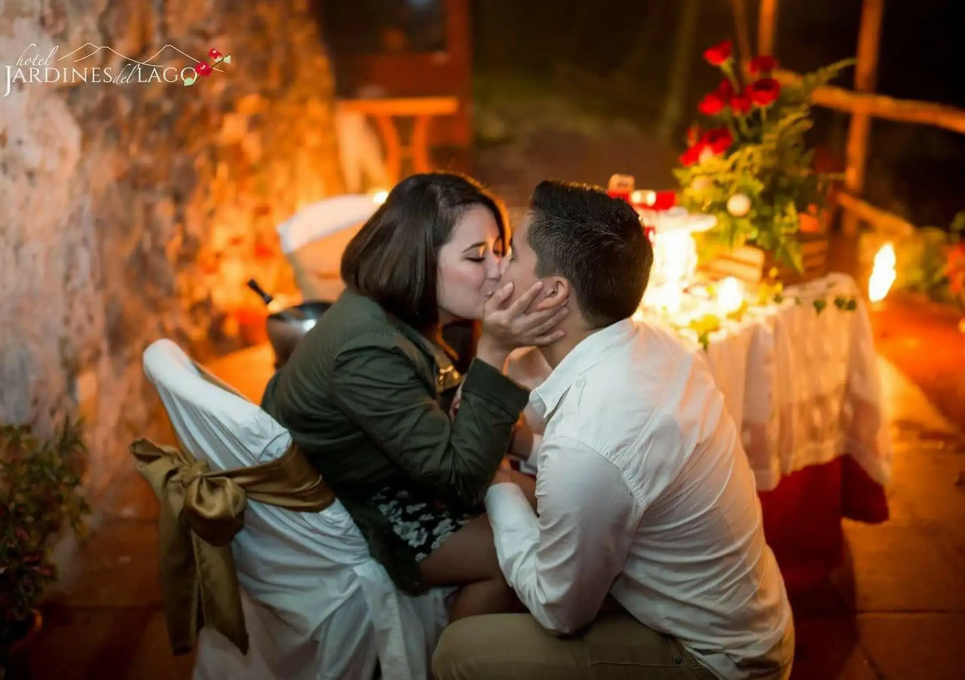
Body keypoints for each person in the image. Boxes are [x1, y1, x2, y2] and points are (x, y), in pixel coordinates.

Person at [433, 181, 794, 679]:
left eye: (511, 254)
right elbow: (622, 466)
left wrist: (495, 480)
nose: (496, 268)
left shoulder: (588, 437)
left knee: (459, 651)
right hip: (757, 620)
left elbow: (558, 609)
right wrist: (522, 444)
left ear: (553, 292)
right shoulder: (658, 345)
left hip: (717, 660)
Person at [261, 172, 568, 620]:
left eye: (500, 250)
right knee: (518, 560)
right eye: (477, 256)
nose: (498, 268)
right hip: (360, 503)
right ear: (418, 260)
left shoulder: (416, 312)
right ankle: (463, 655)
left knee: (555, 506)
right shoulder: (368, 350)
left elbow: (458, 414)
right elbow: (461, 481)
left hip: (398, 468)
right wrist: (495, 352)